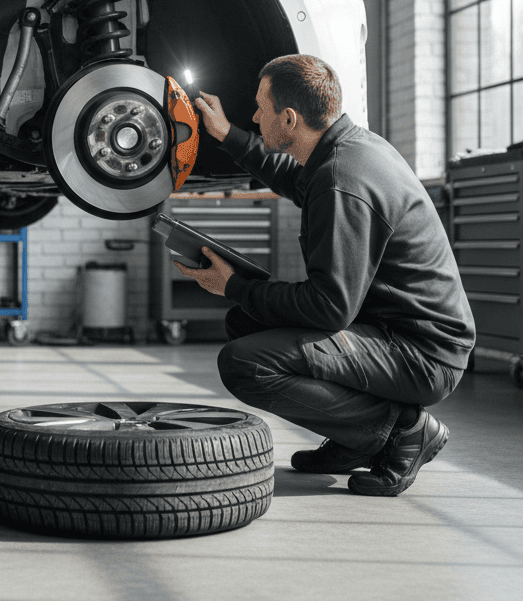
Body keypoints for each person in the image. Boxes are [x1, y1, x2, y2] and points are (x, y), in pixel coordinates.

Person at [176, 54, 474, 496]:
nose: (255, 116)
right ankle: (354, 439)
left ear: (290, 118)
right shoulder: (346, 148)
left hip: (422, 352)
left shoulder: (341, 180)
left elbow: (329, 307)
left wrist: (234, 285)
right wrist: (227, 135)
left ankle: (400, 430)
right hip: (394, 329)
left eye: (261, 108)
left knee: (243, 363)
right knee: (247, 323)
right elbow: (290, 178)